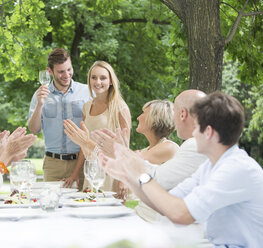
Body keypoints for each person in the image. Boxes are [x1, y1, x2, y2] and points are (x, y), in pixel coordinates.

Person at [102, 91, 263, 247]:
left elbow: (180, 214)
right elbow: (165, 204)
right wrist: (129, 176)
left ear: (209, 132)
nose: (193, 133)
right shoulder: (210, 167)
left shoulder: (236, 169)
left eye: (197, 127)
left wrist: (140, 174)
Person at [92, 90, 207, 208]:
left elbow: (157, 179)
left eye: (175, 112)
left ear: (182, 114)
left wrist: (120, 153)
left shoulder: (192, 145)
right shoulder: (193, 145)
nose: (138, 117)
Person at [63, 61, 131, 197]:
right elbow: (84, 144)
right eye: (93, 77)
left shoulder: (120, 108)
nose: (97, 82)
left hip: (112, 172)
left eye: (103, 78)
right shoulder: (87, 107)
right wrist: (75, 174)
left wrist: (123, 180)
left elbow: (125, 148)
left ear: (111, 81)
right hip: (92, 171)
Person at [28, 48, 91, 190]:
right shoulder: (40, 95)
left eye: (69, 69)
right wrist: (40, 104)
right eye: (61, 71)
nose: (66, 75)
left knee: (83, 207)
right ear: (50, 71)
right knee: (52, 207)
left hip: (81, 162)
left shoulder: (86, 92)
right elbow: (34, 129)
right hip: (53, 165)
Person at [131, 100, 179, 221]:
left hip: (154, 222)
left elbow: (129, 161)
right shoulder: (147, 150)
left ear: (154, 119)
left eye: (143, 113)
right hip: (141, 214)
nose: (138, 117)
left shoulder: (169, 147)